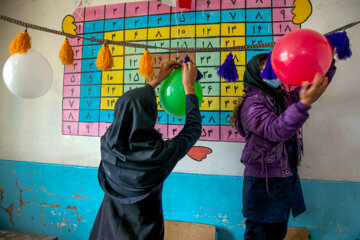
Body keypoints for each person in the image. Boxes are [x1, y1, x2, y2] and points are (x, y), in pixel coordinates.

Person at [89, 60, 202, 240]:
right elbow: (193, 129)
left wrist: (156, 80)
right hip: (142, 232)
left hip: (106, 229)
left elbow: (131, 104)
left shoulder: (108, 143)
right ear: (149, 117)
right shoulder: (158, 155)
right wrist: (189, 88)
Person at [230, 53, 336, 240]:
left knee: (277, 233)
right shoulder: (252, 103)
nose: (272, 71)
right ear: (255, 74)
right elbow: (274, 130)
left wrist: (328, 60)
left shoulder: (281, 97)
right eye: (264, 68)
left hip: (282, 179)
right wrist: (303, 104)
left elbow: (312, 90)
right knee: (259, 234)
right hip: (263, 184)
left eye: (273, 66)